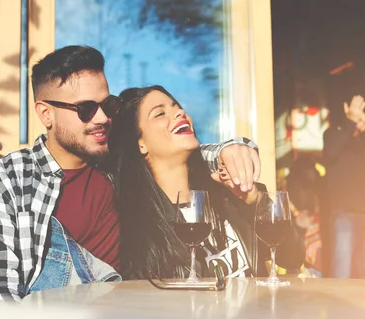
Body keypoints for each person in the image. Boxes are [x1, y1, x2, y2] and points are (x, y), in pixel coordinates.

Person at [0, 46, 262, 302]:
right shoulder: (4, 182)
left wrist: (230, 150)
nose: (103, 118)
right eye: (86, 109)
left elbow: (174, 149)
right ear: (45, 114)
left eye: (108, 105)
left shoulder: (113, 164)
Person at [112, 86, 304, 280]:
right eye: (160, 113)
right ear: (140, 144)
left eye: (177, 107)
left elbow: (293, 257)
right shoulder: (142, 231)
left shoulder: (227, 194)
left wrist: (254, 199)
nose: (180, 113)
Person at [323, 95, 365, 279]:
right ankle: (339, 307)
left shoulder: (361, 145)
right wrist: (351, 121)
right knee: (342, 271)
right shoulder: (333, 134)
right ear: (346, 108)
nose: (361, 126)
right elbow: (331, 152)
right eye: (359, 119)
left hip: (364, 215)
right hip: (343, 216)